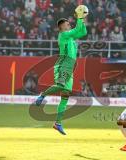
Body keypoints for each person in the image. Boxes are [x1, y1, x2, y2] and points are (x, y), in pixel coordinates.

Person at [35, 5, 88, 135]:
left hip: (70, 66)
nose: (69, 24)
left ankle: (57, 123)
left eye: (69, 23)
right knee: (60, 85)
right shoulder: (63, 35)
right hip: (63, 64)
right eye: (67, 24)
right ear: (61, 27)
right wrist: (80, 18)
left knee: (65, 95)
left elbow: (82, 32)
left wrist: (81, 19)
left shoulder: (70, 37)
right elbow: (77, 30)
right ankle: (43, 94)